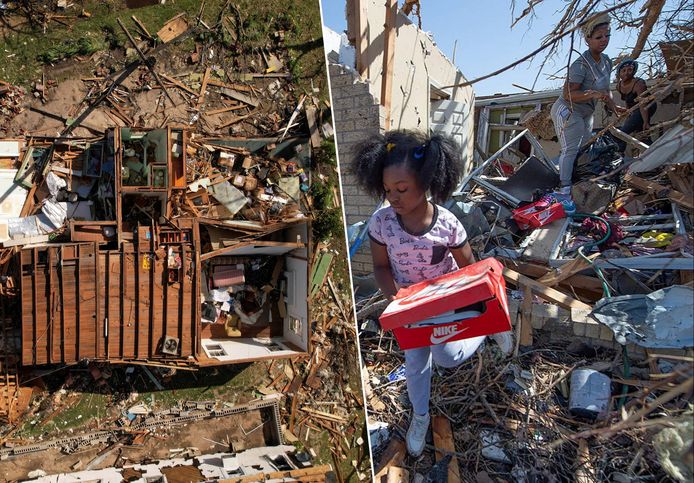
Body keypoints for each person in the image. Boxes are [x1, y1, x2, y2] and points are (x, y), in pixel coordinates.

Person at [352, 130, 513, 457]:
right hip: (408, 306)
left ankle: (487, 330)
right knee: (415, 363)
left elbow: (471, 269)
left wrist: (480, 310)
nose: (392, 198)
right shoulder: (382, 224)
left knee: (447, 356)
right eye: (386, 190)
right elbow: (382, 269)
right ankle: (420, 416)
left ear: (426, 184)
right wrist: (396, 298)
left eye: (401, 189)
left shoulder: (448, 225)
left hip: (445, 303)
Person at [544, 12, 624, 214]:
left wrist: (615, 108)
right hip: (568, 110)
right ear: (588, 40)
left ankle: (580, 183)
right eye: (598, 37)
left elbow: (606, 91)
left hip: (586, 113)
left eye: (607, 36)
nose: (604, 41)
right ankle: (563, 190)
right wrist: (593, 94)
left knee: (586, 148)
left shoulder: (606, 61)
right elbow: (568, 93)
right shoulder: (581, 64)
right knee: (571, 149)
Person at [616, 58, 656, 142]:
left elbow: (643, 104)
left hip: (647, 106)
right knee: (641, 130)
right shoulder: (619, 86)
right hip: (635, 108)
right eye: (623, 70)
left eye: (629, 70)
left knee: (624, 131)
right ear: (619, 73)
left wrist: (646, 121)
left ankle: (619, 151)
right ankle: (649, 148)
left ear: (633, 71)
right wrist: (628, 113)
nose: (626, 73)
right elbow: (627, 100)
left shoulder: (639, 84)